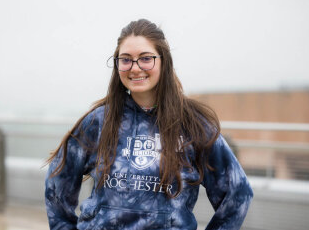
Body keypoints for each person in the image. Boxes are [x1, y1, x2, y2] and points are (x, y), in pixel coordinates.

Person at [45, 19, 253, 230]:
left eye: (145, 58)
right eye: (125, 60)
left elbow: (238, 192)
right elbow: (57, 182)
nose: (135, 68)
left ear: (164, 61)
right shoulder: (98, 122)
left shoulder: (193, 125)